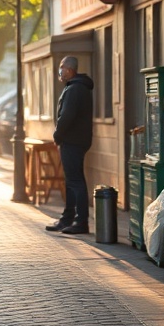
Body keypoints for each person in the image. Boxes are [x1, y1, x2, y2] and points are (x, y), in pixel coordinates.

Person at [46, 56, 94, 235]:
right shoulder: (77, 88)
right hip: (76, 140)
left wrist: (57, 135)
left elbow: (66, 116)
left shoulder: (74, 89)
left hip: (72, 141)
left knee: (75, 181)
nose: (60, 71)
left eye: (61, 67)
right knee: (72, 181)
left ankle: (80, 222)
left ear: (69, 70)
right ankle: (67, 218)